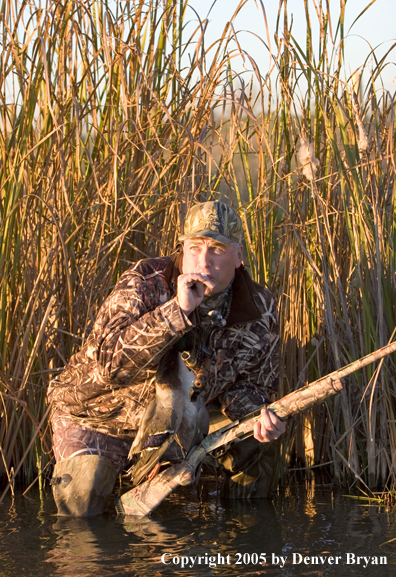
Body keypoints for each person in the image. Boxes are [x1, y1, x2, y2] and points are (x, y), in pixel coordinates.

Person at [48, 200, 285, 516]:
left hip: (185, 416)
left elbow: (251, 386)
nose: (203, 260)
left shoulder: (260, 308)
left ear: (238, 256)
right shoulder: (145, 282)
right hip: (101, 414)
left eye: (216, 249)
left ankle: (245, 543)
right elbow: (110, 367)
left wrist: (260, 416)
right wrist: (177, 311)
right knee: (82, 500)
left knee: (259, 440)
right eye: (194, 248)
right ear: (182, 250)